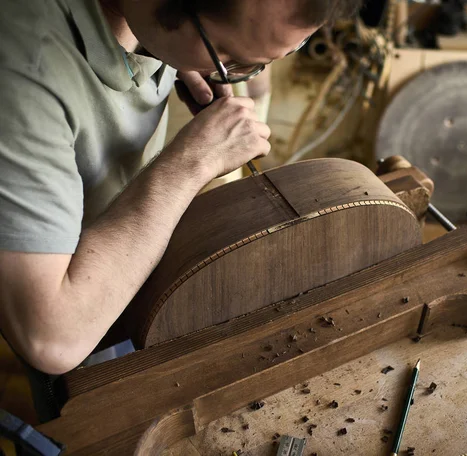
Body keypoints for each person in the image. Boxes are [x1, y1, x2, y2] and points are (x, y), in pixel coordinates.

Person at [0, 0, 362, 383]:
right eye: (231, 60)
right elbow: (51, 339)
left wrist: (190, 59)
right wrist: (191, 162)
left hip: (121, 272)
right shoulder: (23, 69)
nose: (238, 78)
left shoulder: (151, 25)